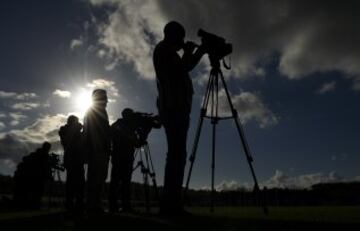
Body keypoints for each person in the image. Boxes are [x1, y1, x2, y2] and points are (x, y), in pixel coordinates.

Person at [153, 21, 206, 214]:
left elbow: (184, 67)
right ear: (173, 35)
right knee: (176, 156)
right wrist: (192, 52)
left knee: (177, 155)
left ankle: (172, 203)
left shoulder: (169, 52)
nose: (183, 41)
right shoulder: (164, 50)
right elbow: (180, 70)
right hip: (173, 109)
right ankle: (170, 205)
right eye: (181, 37)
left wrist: (194, 53)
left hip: (176, 109)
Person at [83, 89, 111, 214]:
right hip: (96, 150)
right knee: (95, 178)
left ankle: (95, 204)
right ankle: (92, 205)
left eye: (106, 97)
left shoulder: (102, 112)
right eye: (104, 97)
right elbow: (90, 132)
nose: (106, 100)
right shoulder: (93, 111)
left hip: (102, 150)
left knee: (100, 178)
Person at [108, 108, 138, 213]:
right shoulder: (119, 124)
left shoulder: (126, 125)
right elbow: (111, 136)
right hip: (120, 157)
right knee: (117, 182)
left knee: (123, 182)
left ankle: (123, 205)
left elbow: (134, 140)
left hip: (124, 157)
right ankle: (116, 205)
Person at [13, 142, 52, 209]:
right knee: (37, 191)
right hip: (36, 177)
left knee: (33, 191)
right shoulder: (43, 156)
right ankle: (35, 205)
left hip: (31, 177)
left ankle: (31, 204)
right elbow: (45, 168)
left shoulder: (35, 154)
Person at [59, 115, 85, 213]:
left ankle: (78, 204)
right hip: (72, 159)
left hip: (77, 159)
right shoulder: (64, 130)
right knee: (71, 183)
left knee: (80, 183)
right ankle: (70, 204)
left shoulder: (72, 131)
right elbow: (67, 140)